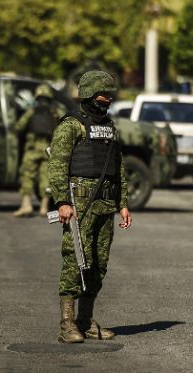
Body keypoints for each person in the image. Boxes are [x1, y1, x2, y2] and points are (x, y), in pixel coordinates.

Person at [48, 70, 132, 343]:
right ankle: (67, 323)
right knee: (75, 259)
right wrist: (62, 201)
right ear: (88, 94)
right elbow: (57, 166)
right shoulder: (71, 125)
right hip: (79, 203)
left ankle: (85, 320)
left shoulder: (109, 126)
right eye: (102, 94)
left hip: (106, 203)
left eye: (110, 95)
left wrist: (123, 204)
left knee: (99, 264)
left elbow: (118, 167)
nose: (107, 99)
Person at [12, 84, 61, 217]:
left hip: (32, 148)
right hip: (49, 149)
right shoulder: (56, 113)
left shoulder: (31, 112)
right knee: (46, 179)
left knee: (27, 175)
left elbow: (18, 127)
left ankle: (26, 206)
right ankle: (44, 208)